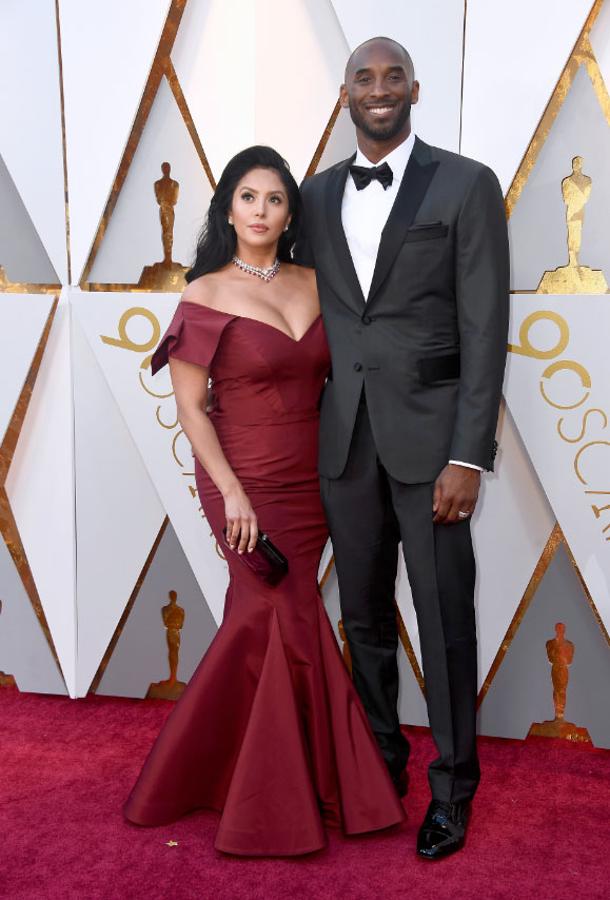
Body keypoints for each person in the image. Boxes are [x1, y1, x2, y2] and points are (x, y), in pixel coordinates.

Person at [123, 146, 404, 856]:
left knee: (293, 614)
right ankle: (277, 797)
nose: (260, 211)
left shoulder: (316, 282)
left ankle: (256, 775)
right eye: (248, 197)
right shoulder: (204, 293)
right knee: (272, 613)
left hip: (315, 481)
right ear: (227, 208)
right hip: (241, 478)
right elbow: (191, 409)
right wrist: (234, 496)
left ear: (289, 214)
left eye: (274, 200)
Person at [294, 38, 509, 860]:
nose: (379, 91)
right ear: (345, 93)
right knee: (363, 617)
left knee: (444, 617)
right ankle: (378, 761)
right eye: (363, 78)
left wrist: (470, 456)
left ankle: (453, 789)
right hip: (344, 441)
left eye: (392, 77)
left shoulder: (465, 184)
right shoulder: (312, 198)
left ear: (414, 89)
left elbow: (486, 330)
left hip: (435, 450)